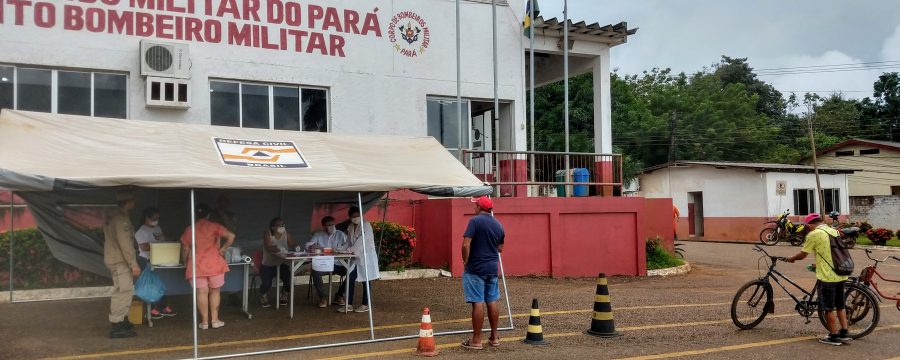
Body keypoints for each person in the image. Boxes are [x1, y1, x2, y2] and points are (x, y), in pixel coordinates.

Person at [785, 213, 851, 346]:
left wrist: (791, 258)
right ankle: (844, 332)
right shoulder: (833, 230)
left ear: (810, 225)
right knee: (840, 305)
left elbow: (803, 255)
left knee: (827, 307)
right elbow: (832, 252)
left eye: (807, 226)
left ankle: (833, 336)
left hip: (827, 276)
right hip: (841, 272)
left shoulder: (814, 234)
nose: (807, 228)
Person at [180, 203, 236, 330]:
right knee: (215, 291)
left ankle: (204, 322)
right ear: (209, 214)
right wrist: (223, 249)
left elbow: (185, 249)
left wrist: (185, 262)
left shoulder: (190, 229)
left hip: (196, 264)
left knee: (201, 292)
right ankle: (215, 320)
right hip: (214, 263)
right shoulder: (215, 226)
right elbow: (231, 236)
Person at [460, 196, 505, 350]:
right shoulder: (498, 224)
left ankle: (476, 340)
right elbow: (500, 248)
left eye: (475, 205)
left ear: (479, 207)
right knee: (491, 301)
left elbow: (466, 244)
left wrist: (465, 260)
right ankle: (494, 337)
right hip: (492, 268)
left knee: (477, 302)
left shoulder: (475, 221)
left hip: (475, 268)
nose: (474, 208)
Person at [103, 190, 141, 339]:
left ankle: (122, 319)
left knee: (122, 290)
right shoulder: (121, 219)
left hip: (116, 259)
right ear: (128, 202)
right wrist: (133, 263)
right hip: (120, 261)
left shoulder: (113, 215)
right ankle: (117, 325)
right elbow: (125, 243)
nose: (134, 203)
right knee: (123, 292)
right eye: (133, 200)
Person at [134, 207, 176, 319]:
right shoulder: (141, 231)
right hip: (146, 260)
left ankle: (163, 306)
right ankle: (151, 309)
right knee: (150, 285)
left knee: (161, 283)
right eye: (153, 218)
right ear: (146, 218)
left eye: (157, 218)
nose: (156, 221)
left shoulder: (158, 228)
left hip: (160, 260)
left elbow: (163, 240)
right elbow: (143, 247)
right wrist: (157, 246)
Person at [337, 207, 379, 313]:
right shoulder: (350, 226)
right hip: (355, 258)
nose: (355, 218)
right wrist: (339, 249)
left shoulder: (366, 225)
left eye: (357, 215)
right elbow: (348, 242)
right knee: (350, 278)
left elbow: (362, 242)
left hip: (366, 257)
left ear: (361, 215)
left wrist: (348, 251)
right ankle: (349, 304)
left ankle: (365, 304)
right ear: (350, 217)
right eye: (353, 216)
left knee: (366, 280)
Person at [306, 216, 349, 308]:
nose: (332, 226)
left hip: (338, 263)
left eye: (333, 224)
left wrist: (328, 249)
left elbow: (347, 246)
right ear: (323, 226)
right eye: (329, 225)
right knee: (315, 271)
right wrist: (312, 246)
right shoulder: (318, 234)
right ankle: (323, 298)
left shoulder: (340, 234)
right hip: (323, 264)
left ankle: (339, 296)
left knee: (352, 272)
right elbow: (308, 245)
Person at [259, 217, 296, 307]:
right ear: (272, 227)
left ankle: (284, 294)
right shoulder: (267, 234)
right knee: (266, 284)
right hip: (268, 264)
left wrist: (296, 247)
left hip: (281, 263)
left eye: (283, 225)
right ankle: (263, 295)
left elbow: (293, 243)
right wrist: (278, 249)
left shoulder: (286, 234)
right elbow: (269, 247)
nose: (282, 227)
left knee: (289, 280)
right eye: (279, 225)